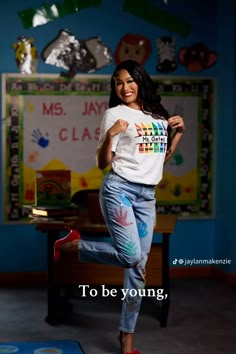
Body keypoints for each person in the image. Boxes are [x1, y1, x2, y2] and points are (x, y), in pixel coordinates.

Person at [54, 59, 185, 354]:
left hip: (147, 196)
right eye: (118, 82)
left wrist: (177, 133)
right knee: (130, 256)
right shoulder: (113, 114)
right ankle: (74, 246)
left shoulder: (158, 116)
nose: (124, 88)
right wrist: (112, 134)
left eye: (129, 81)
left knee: (137, 270)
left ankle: (126, 337)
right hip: (119, 190)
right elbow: (102, 164)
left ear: (140, 81)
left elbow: (156, 163)